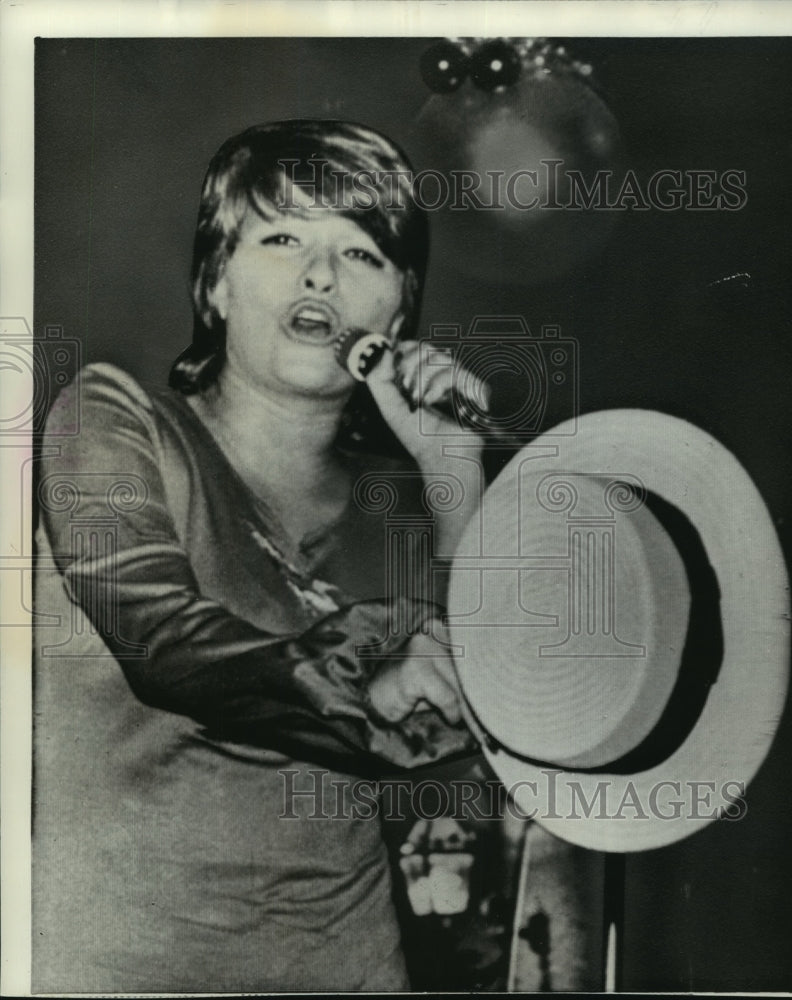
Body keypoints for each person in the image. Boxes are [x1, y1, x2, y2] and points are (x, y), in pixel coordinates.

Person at [32, 119, 484, 993]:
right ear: (218, 283)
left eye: (362, 253)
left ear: (398, 308)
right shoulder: (112, 421)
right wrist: (364, 681)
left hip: (347, 970)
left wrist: (452, 468)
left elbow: (472, 719)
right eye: (282, 238)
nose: (320, 275)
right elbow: (164, 643)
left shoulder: (407, 503)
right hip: (115, 968)